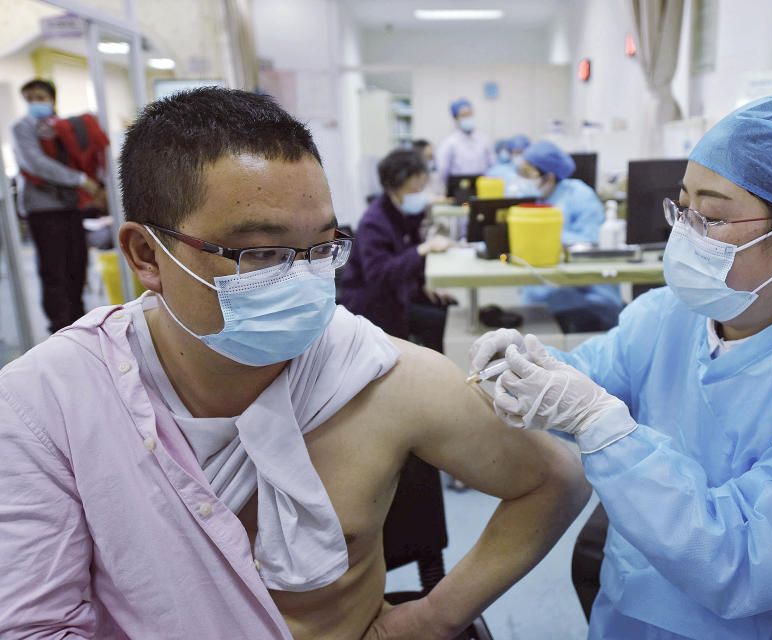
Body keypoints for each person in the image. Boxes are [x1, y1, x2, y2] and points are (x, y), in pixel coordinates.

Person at [0, 88, 591, 640]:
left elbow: (555, 480)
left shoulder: (376, 375)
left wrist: (435, 617)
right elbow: (34, 625)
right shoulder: (49, 404)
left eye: (321, 248)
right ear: (146, 255)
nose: (304, 280)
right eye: (260, 251)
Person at [470, 92, 772, 639]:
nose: (685, 234)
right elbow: (594, 377)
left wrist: (600, 426)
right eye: (682, 208)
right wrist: (536, 368)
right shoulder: (669, 315)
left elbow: (748, 563)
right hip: (654, 599)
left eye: (714, 217)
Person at [339, 148, 457, 353]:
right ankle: (435, 373)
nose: (420, 195)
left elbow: (406, 255)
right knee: (439, 321)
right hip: (372, 304)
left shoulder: (404, 212)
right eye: (414, 190)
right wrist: (422, 250)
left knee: (449, 306)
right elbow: (379, 275)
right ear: (393, 189)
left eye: (422, 187)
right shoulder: (374, 223)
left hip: (397, 291)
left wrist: (423, 286)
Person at [11, 78, 105, 333]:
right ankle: (60, 328)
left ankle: (79, 324)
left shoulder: (63, 128)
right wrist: (81, 180)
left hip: (71, 208)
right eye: (29, 98)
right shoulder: (23, 127)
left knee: (77, 265)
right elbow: (35, 163)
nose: (35, 102)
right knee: (54, 272)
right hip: (43, 210)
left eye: (40, 96)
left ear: (52, 99)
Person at [516, 139, 623, 332]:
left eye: (528, 173)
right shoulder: (537, 199)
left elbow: (591, 242)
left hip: (586, 299)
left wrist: (544, 236)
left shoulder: (580, 195)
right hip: (542, 296)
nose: (524, 180)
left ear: (549, 176)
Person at [435, 98, 494, 186]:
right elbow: (442, 171)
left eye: (469, 114)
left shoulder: (484, 139)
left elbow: (492, 164)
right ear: (456, 118)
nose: (467, 117)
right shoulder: (448, 143)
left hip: (483, 186)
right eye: (463, 115)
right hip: (458, 188)